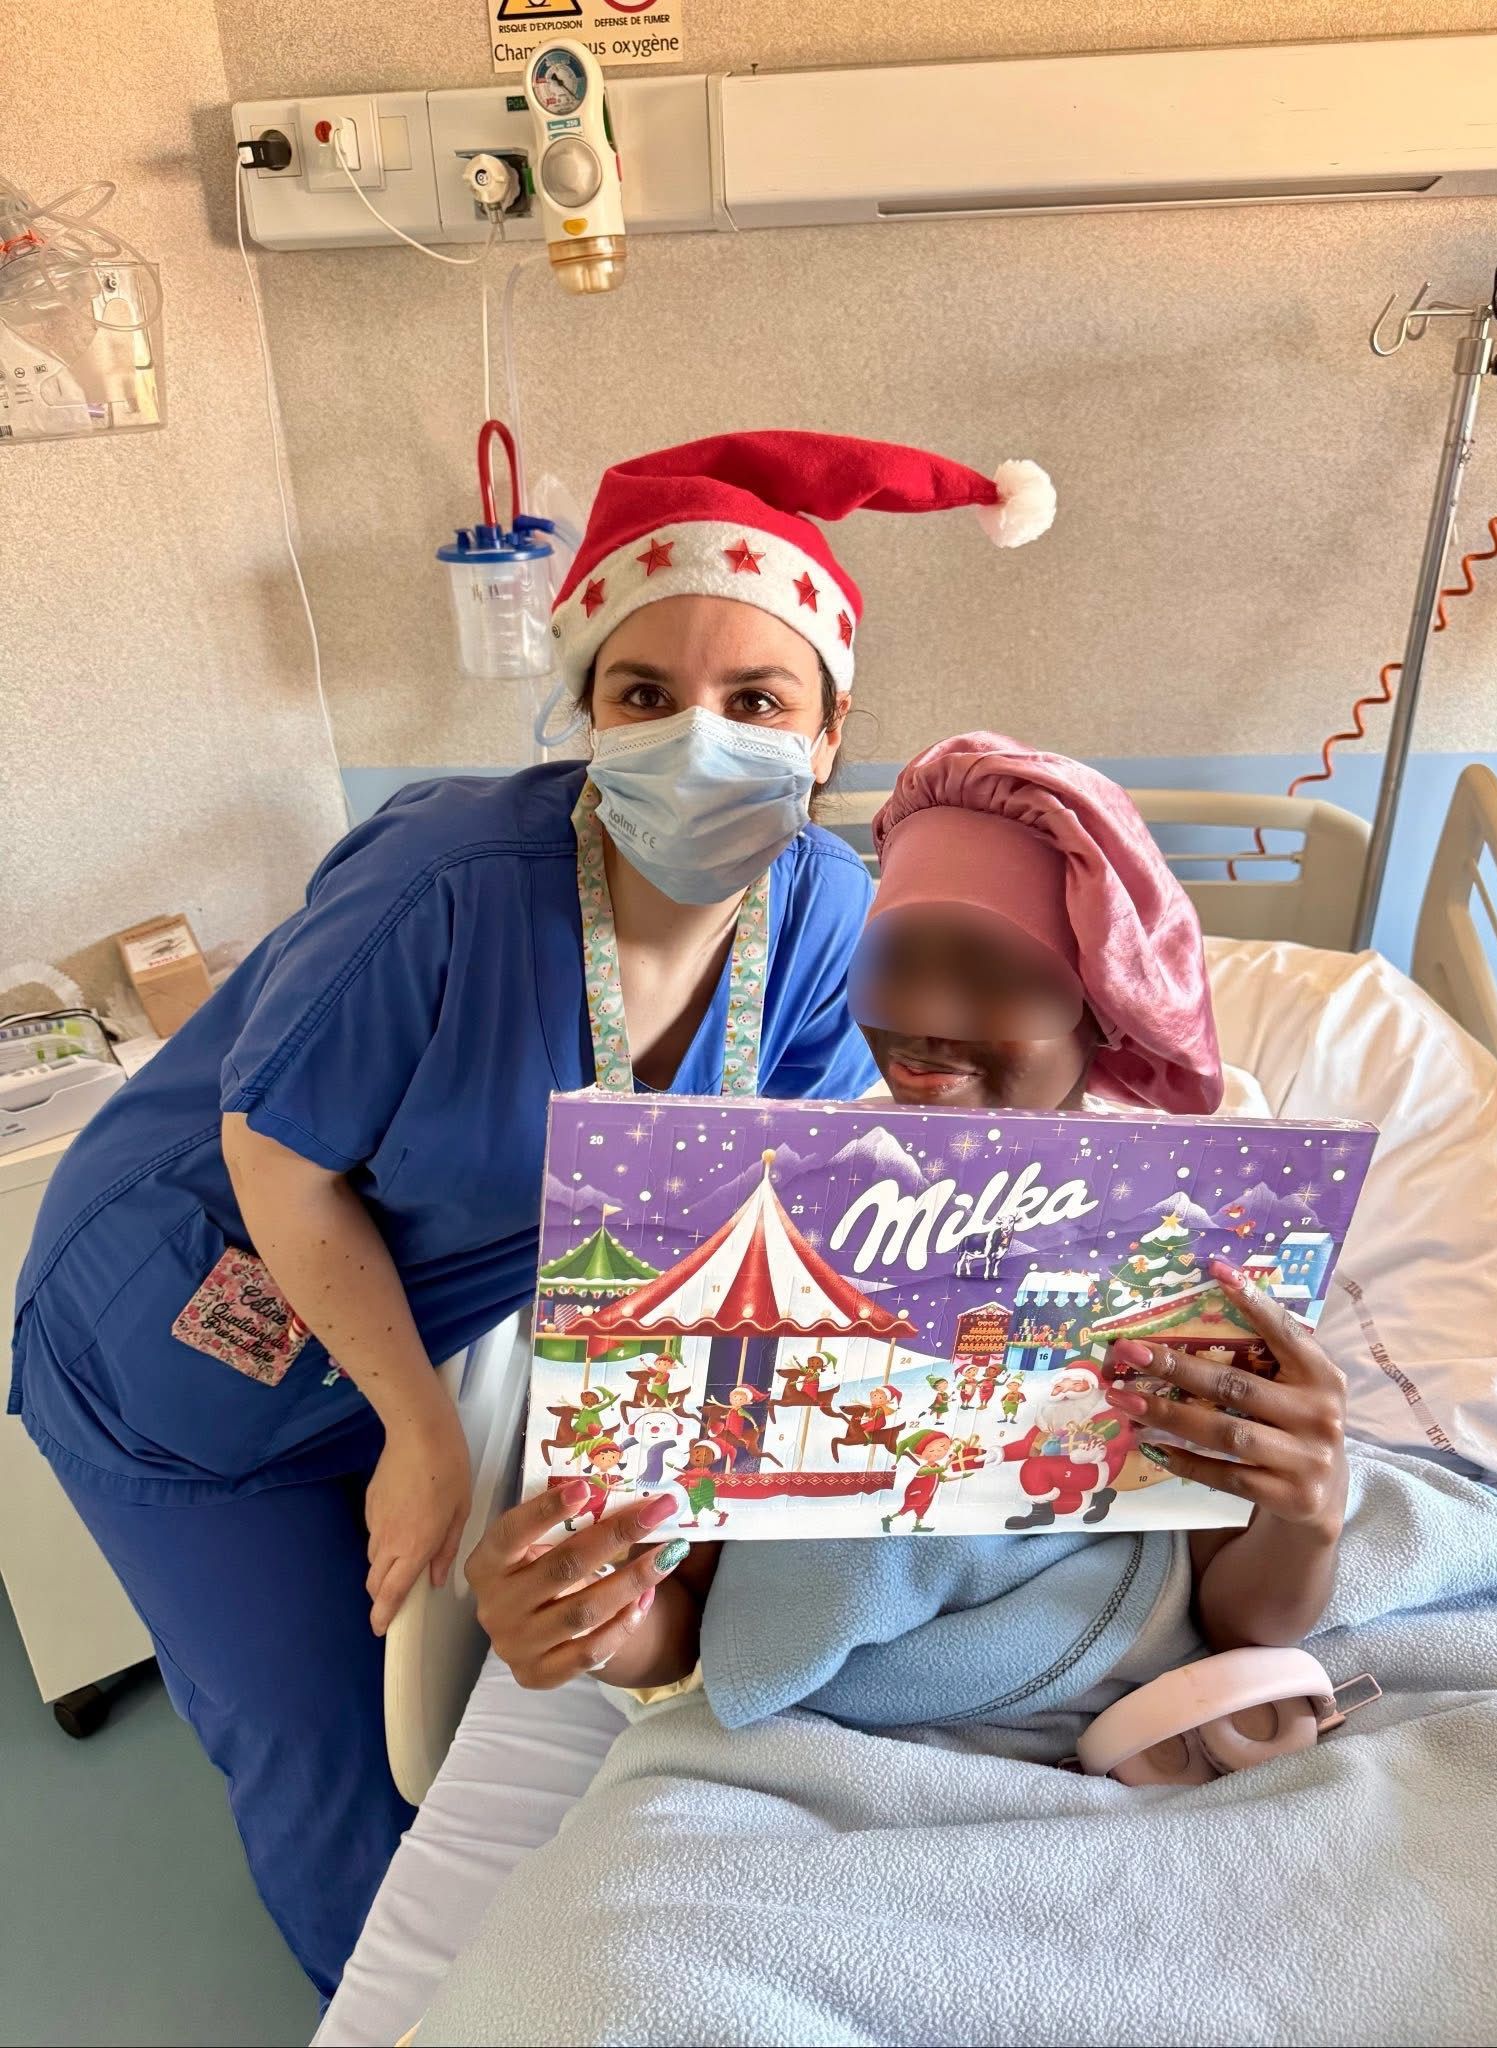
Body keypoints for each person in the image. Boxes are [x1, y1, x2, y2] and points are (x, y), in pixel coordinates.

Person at [8, 443, 1052, 1997]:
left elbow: (796, 1176)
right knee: (322, 1750)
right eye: (646, 693)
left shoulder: (828, 913)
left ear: (831, 730)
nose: (700, 737)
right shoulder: (444, 889)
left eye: (758, 699)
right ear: (588, 711)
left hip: (414, 1296)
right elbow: (273, 1157)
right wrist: (424, 1434)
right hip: (179, 1331)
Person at [470, 738, 1350, 1723]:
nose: (926, 1014)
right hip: (820, 1720)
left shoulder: (1187, 1236)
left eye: (994, 971)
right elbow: (683, 1623)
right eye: (893, 961)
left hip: (1111, 1707)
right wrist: (595, 1620)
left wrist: (1307, 1515)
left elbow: (1246, 1618)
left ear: (1102, 1007)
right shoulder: (780, 1194)